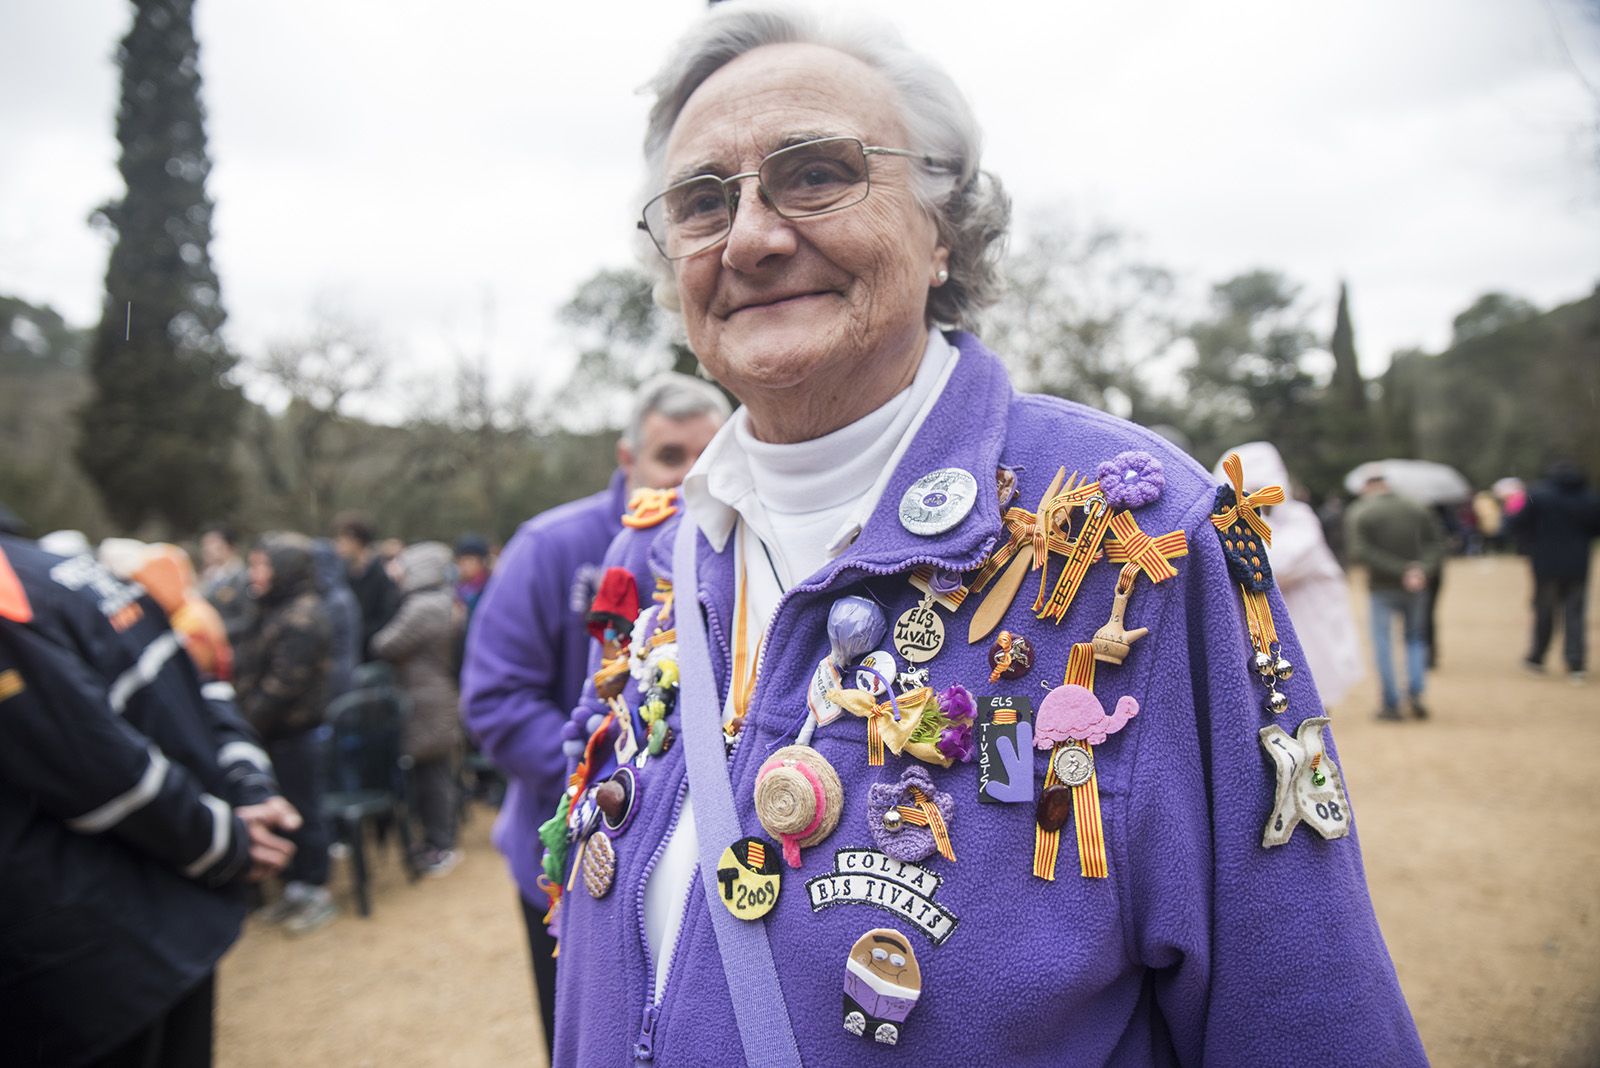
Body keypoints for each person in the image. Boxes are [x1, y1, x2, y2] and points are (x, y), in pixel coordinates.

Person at [542, 6, 1425, 1066]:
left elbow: (1302, 1009)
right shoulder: (657, 550)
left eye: (815, 174)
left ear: (944, 226)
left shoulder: (1143, 535)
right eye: (700, 201)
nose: (751, 237)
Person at [461, 371, 728, 1056]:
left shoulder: (738, 546)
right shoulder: (550, 546)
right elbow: (495, 698)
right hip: (571, 852)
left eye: (708, 455)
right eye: (670, 457)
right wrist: (614, 792)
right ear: (627, 458)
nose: (690, 476)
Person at [0, 532, 299, 1067]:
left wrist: (227, 839)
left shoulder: (17, 592)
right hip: (150, 928)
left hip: (85, 960)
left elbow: (100, 766)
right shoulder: (80, 575)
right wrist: (246, 792)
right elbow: (201, 689)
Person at [235, 533, 337, 934]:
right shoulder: (272, 607)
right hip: (272, 734)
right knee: (284, 811)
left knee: (304, 813)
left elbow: (284, 682)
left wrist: (245, 721)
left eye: (262, 565)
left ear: (285, 569)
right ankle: (294, 887)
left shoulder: (303, 615)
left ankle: (315, 890)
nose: (255, 573)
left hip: (297, 733)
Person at [1214, 443, 1363, 708]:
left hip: (1308, 634)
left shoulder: (1299, 520)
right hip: (1259, 641)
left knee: (1311, 710)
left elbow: (1272, 566)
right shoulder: (1228, 525)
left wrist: (1247, 523)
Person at [371, 541, 464, 874]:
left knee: (432, 775)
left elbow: (385, 644)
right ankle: (440, 841)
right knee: (437, 772)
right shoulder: (445, 601)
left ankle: (440, 845)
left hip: (427, 700)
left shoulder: (423, 606)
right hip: (438, 695)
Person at [1345, 474, 1445, 720]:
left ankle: (1391, 703)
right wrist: (1419, 570)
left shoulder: (1362, 511)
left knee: (1383, 643)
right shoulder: (1417, 507)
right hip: (1416, 585)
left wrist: (1400, 570)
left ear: (1369, 487)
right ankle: (1416, 692)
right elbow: (1437, 544)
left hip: (1381, 587)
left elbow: (1359, 551)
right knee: (1415, 639)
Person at [1509, 459, 1599, 682]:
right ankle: (1576, 662)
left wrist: (1529, 542)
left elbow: (1517, 521)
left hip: (1545, 563)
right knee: (1575, 613)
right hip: (1578, 564)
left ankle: (1537, 657)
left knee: (1544, 611)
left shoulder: (1539, 495)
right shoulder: (1589, 497)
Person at [332, 512, 400, 660]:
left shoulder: (383, 576)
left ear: (355, 540)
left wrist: (356, 633)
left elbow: (386, 618)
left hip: (371, 656)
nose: (337, 546)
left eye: (341, 540)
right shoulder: (343, 573)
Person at [199, 523, 256, 648]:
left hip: (234, 647)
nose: (208, 549)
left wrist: (215, 630)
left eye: (214, 544)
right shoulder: (209, 577)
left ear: (231, 547)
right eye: (205, 544)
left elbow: (248, 619)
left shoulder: (243, 578)